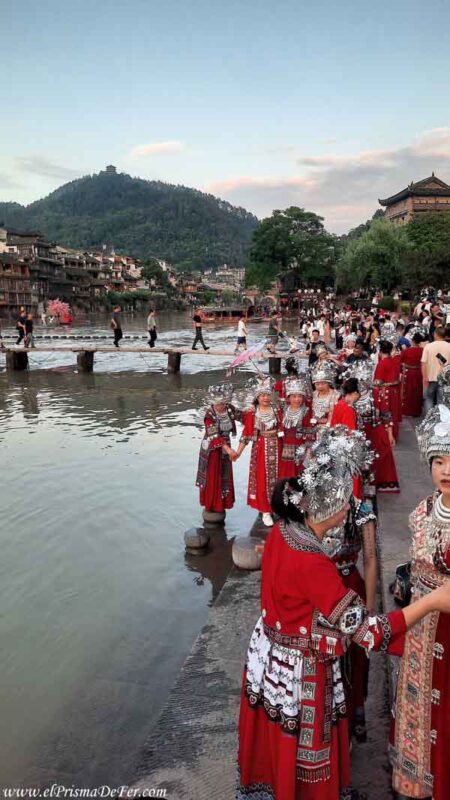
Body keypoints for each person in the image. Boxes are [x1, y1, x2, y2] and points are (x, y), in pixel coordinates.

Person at [237, 426, 450, 800]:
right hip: (302, 668)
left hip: (270, 658)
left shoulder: (285, 532)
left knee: (277, 745)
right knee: (306, 754)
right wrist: (431, 602)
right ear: (334, 509)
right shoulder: (313, 562)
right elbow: (369, 634)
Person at [390, 404, 450, 800]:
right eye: (439, 461)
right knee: (419, 704)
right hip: (420, 627)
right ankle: (420, 778)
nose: (446, 470)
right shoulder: (420, 513)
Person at [234, 376, 282, 527]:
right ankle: (265, 510)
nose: (266, 398)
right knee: (262, 478)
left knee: (278, 477)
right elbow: (246, 434)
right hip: (260, 448)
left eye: (267, 394)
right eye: (262, 395)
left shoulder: (278, 410)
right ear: (257, 397)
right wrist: (238, 452)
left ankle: (277, 505)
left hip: (277, 446)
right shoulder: (252, 413)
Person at [350, 361, 400, 493]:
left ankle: (378, 482)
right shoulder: (349, 395)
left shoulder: (376, 394)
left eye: (364, 379)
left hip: (374, 430)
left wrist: (390, 434)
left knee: (383, 453)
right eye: (359, 380)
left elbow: (386, 415)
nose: (362, 383)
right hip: (356, 432)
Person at [195, 383, 240, 513]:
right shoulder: (209, 414)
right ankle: (211, 504)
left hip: (225, 448)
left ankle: (222, 503)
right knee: (212, 476)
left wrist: (253, 410)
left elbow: (242, 416)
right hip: (212, 449)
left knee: (224, 474)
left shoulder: (229, 409)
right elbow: (214, 434)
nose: (221, 406)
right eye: (219, 404)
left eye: (224, 403)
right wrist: (229, 450)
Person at [278, 377, 313, 479]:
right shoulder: (284, 410)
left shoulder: (306, 411)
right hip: (285, 450)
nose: (297, 399)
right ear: (288, 398)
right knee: (285, 478)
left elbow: (309, 432)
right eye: (294, 396)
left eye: (299, 396)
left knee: (299, 477)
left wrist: (308, 451)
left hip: (300, 450)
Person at [373, 340, 402, 442]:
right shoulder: (393, 361)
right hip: (393, 391)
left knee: (385, 414)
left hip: (385, 392)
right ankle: (393, 435)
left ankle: (387, 436)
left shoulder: (382, 363)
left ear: (380, 351)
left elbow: (377, 382)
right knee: (392, 413)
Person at [421, 326, 450, 412]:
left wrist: (424, 377)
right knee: (441, 401)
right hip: (445, 379)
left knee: (428, 399)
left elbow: (423, 363)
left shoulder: (428, 346)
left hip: (430, 378)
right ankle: (440, 422)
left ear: (435, 334)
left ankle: (428, 420)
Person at [401, 331, 424, 417]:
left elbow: (401, 360)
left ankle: (407, 410)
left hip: (409, 372)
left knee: (408, 391)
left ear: (413, 340)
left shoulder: (407, 351)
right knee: (417, 391)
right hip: (418, 372)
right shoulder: (422, 350)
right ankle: (416, 410)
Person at [311, 361, 339, 426]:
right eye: (317, 384)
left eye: (323, 383)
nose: (320, 386)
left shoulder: (336, 395)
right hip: (313, 426)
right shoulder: (313, 394)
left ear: (329, 383)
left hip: (330, 427)